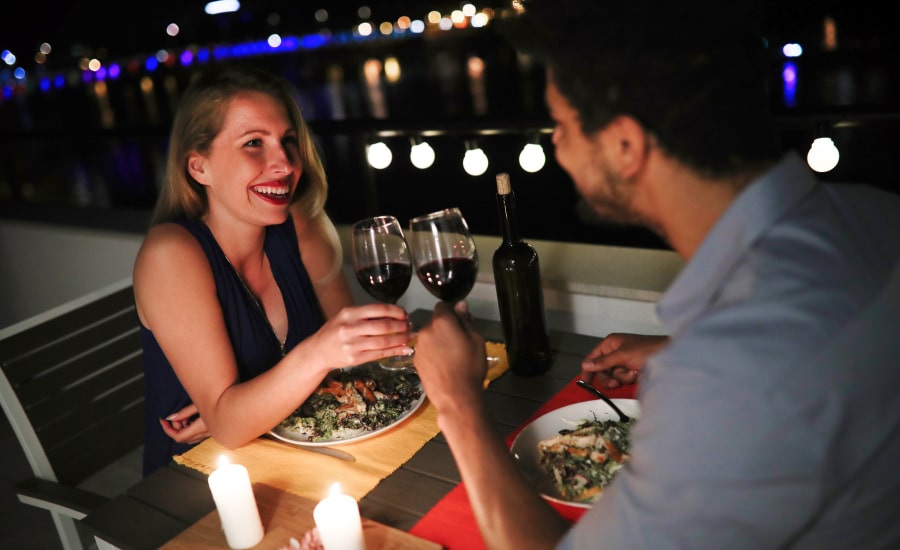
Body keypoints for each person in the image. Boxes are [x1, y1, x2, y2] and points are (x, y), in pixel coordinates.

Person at [412, 1, 900, 548]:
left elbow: (761, 374)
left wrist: (458, 404)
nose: (556, 145)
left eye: (564, 125)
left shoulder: (731, 375)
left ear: (625, 146)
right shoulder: (876, 215)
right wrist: (679, 348)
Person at [134, 65, 413, 476]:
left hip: (296, 457)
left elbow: (351, 362)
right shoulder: (171, 255)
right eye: (253, 144)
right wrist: (234, 410)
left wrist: (242, 408)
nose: (284, 163)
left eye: (287, 142)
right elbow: (229, 427)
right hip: (197, 483)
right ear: (199, 167)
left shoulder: (300, 226)